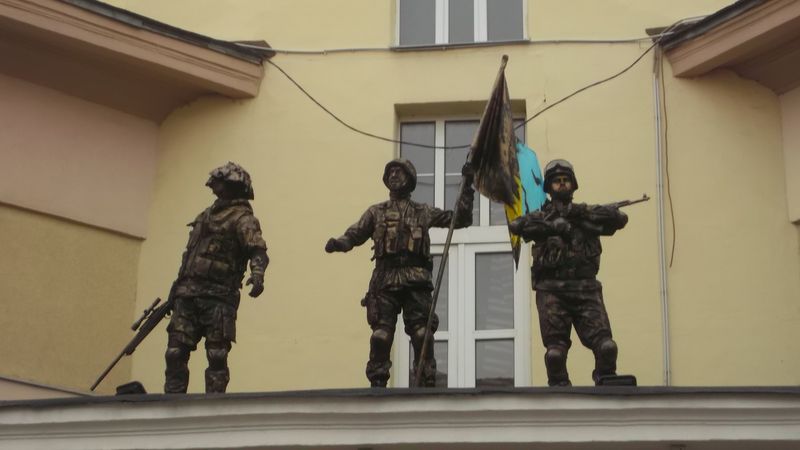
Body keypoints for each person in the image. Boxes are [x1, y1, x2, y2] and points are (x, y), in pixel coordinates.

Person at [325, 159, 474, 387]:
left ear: (410, 179)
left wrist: (467, 187)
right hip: (385, 278)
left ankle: (425, 381)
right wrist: (339, 243)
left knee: (422, 334)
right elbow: (355, 234)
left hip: (415, 278)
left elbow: (459, 220)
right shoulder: (376, 212)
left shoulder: (423, 211)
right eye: (390, 172)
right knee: (380, 336)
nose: (394, 175)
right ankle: (377, 382)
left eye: (399, 172)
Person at [509, 159, 628, 386]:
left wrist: (585, 215)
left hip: (587, 290)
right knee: (555, 355)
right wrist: (553, 226)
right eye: (556, 181)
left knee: (607, 347)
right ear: (549, 188)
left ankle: (608, 383)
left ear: (573, 185)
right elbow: (517, 225)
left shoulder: (585, 213)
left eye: (566, 181)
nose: (562, 185)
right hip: (552, 292)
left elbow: (620, 219)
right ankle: (559, 390)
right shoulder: (541, 216)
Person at [164, 162, 269, 393]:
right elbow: (188, 256)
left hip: (219, 298)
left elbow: (257, 250)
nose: (216, 189)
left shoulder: (243, 219)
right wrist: (176, 291)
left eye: (221, 185)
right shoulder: (204, 216)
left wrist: (258, 274)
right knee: (175, 352)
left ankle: (214, 406)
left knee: (217, 355)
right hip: (187, 294)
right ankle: (171, 405)